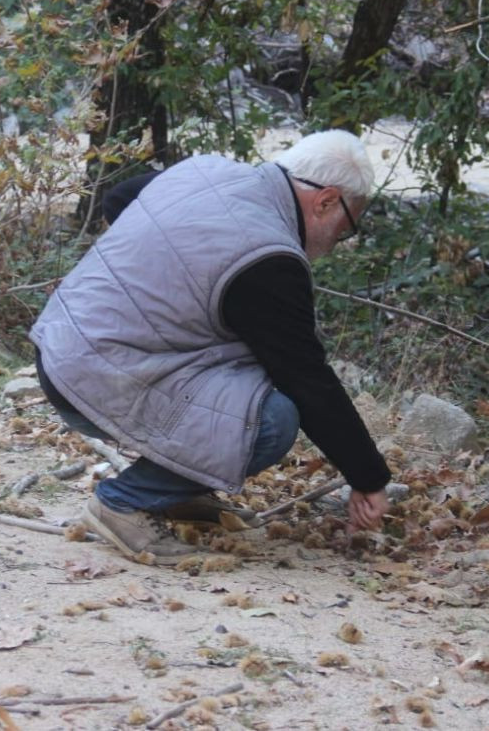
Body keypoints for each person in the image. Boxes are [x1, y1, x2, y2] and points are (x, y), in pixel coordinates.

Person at [29, 130, 391, 564]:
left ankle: (176, 493)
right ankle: (124, 502)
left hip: (60, 347)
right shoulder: (269, 259)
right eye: (346, 230)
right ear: (327, 201)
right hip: (96, 379)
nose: (337, 243)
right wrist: (368, 478)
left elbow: (119, 198)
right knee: (272, 417)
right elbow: (307, 380)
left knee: (240, 372)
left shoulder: (205, 170)